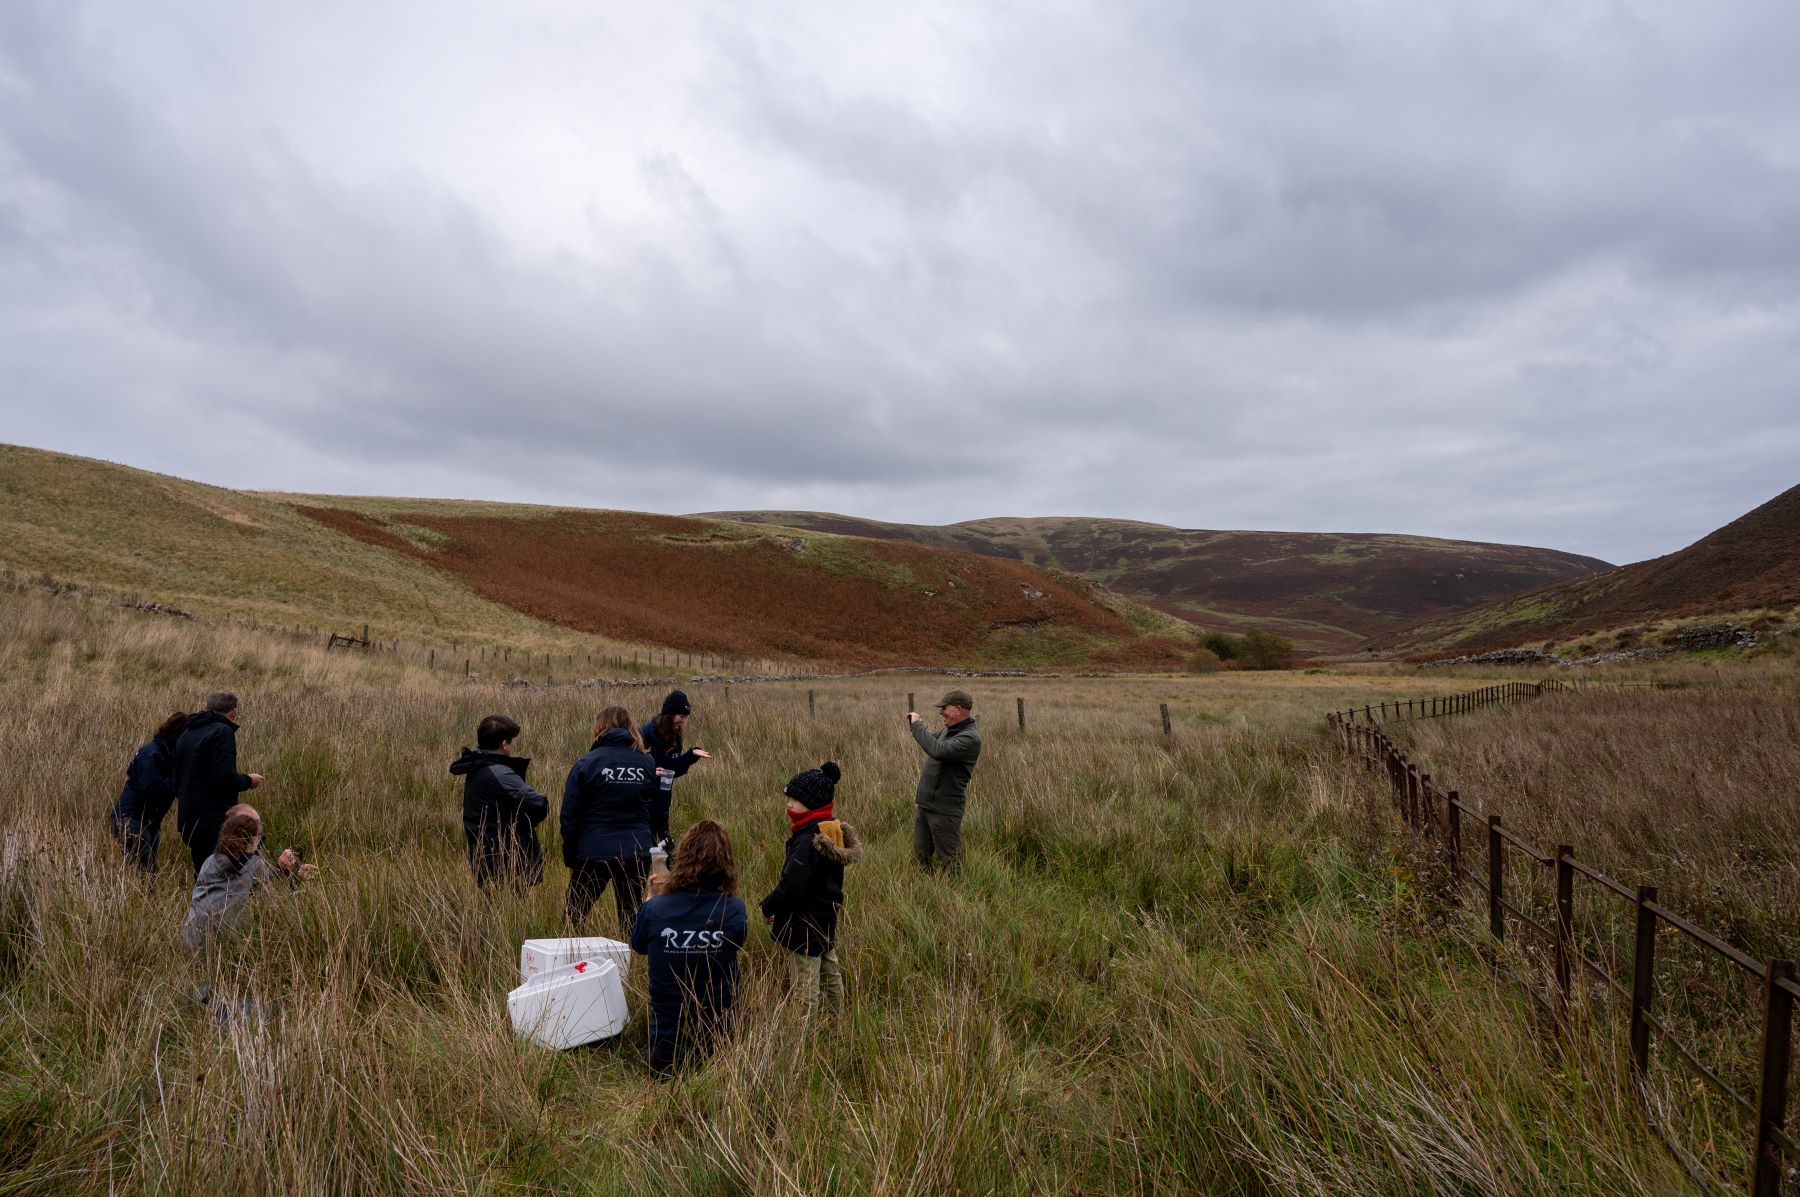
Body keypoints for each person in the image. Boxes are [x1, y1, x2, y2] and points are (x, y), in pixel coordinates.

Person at [629, 819, 747, 1077]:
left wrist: (650, 898)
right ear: (725, 863)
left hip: (666, 1047)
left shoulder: (655, 908)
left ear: (680, 857)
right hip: (720, 1042)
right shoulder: (734, 909)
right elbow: (737, 942)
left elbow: (638, 945)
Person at [760, 762, 863, 1015]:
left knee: (805, 984)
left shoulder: (807, 840)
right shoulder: (828, 830)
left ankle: (804, 1036)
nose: (789, 804)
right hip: (825, 918)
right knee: (830, 971)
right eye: (789, 798)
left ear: (813, 803)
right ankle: (837, 1019)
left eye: (796, 799)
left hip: (804, 924)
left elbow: (792, 886)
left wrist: (769, 905)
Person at [561, 706, 660, 934]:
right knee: (630, 919)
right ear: (631, 727)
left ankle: (571, 963)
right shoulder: (646, 762)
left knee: (573, 917)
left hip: (595, 849)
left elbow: (569, 816)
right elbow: (651, 808)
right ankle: (628, 965)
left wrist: (572, 855)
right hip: (636, 848)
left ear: (600, 727)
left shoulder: (587, 762)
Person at [180, 808, 316, 948]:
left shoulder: (209, 861)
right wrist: (296, 882)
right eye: (259, 836)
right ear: (252, 839)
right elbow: (274, 903)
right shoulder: (255, 864)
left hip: (189, 939)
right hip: (221, 946)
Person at [450, 714, 549, 890]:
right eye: (512, 741)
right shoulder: (499, 773)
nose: (513, 745)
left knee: (494, 907)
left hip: (483, 852)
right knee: (512, 908)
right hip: (504, 855)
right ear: (504, 744)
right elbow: (537, 804)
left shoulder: (476, 765)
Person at [175, 691, 263, 874]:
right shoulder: (222, 731)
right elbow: (224, 777)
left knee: (203, 872)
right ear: (233, 712)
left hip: (188, 816)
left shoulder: (188, 731)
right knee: (225, 873)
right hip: (212, 817)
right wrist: (248, 780)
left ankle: (202, 901)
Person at [906, 690, 982, 872]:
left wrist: (917, 725)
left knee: (949, 860)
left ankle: (955, 896)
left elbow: (938, 751)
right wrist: (914, 726)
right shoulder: (950, 730)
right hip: (926, 805)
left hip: (945, 808)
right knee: (920, 856)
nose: (941, 712)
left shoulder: (970, 738)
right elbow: (932, 740)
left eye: (944, 708)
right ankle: (926, 892)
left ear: (958, 709)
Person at [108, 711, 188, 872]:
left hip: (149, 820)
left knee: (147, 867)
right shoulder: (152, 753)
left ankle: (145, 895)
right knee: (143, 869)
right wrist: (180, 781)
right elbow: (150, 787)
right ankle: (140, 896)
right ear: (178, 735)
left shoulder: (168, 754)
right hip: (131, 818)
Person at [639, 690, 713, 844]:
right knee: (644, 854)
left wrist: (691, 755)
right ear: (669, 714)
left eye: (686, 716)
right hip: (642, 807)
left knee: (664, 853)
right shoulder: (644, 734)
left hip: (662, 807)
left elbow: (672, 770)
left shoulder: (675, 737)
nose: (684, 720)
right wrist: (650, 772)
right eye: (681, 716)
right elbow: (629, 764)